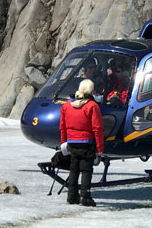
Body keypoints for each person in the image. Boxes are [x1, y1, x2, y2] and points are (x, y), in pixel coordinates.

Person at [59, 79, 104, 207]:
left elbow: (62, 126)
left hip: (72, 143)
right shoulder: (92, 106)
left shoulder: (67, 105)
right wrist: (100, 148)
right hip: (87, 143)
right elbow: (98, 128)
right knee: (86, 170)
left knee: (74, 169)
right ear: (90, 90)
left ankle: (71, 196)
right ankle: (85, 196)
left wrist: (64, 142)